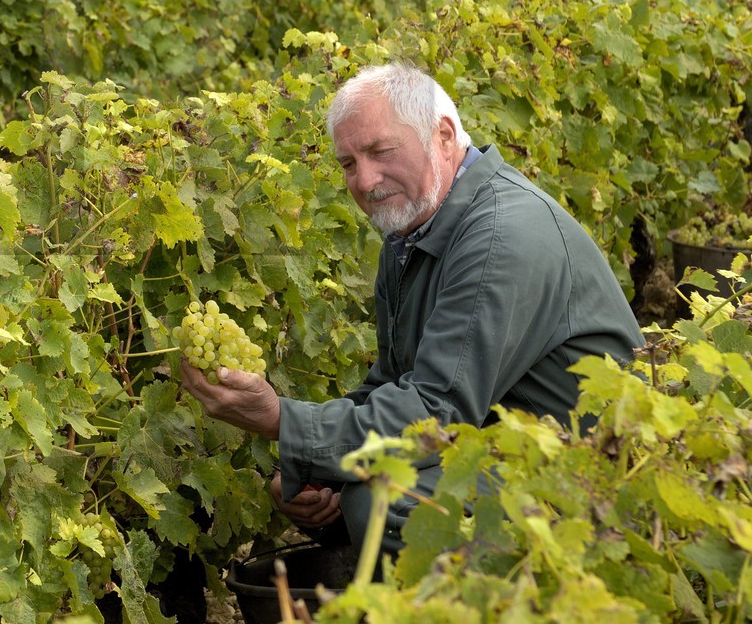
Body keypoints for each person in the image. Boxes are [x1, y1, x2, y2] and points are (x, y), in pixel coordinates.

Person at [181, 62, 644, 561]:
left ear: (443, 135)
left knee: (389, 503)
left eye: (380, 151)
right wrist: (311, 469)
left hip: (590, 474)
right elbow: (394, 382)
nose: (365, 180)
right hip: (504, 442)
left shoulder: (500, 237)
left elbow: (435, 411)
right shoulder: (411, 234)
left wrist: (283, 422)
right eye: (347, 163)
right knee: (356, 487)